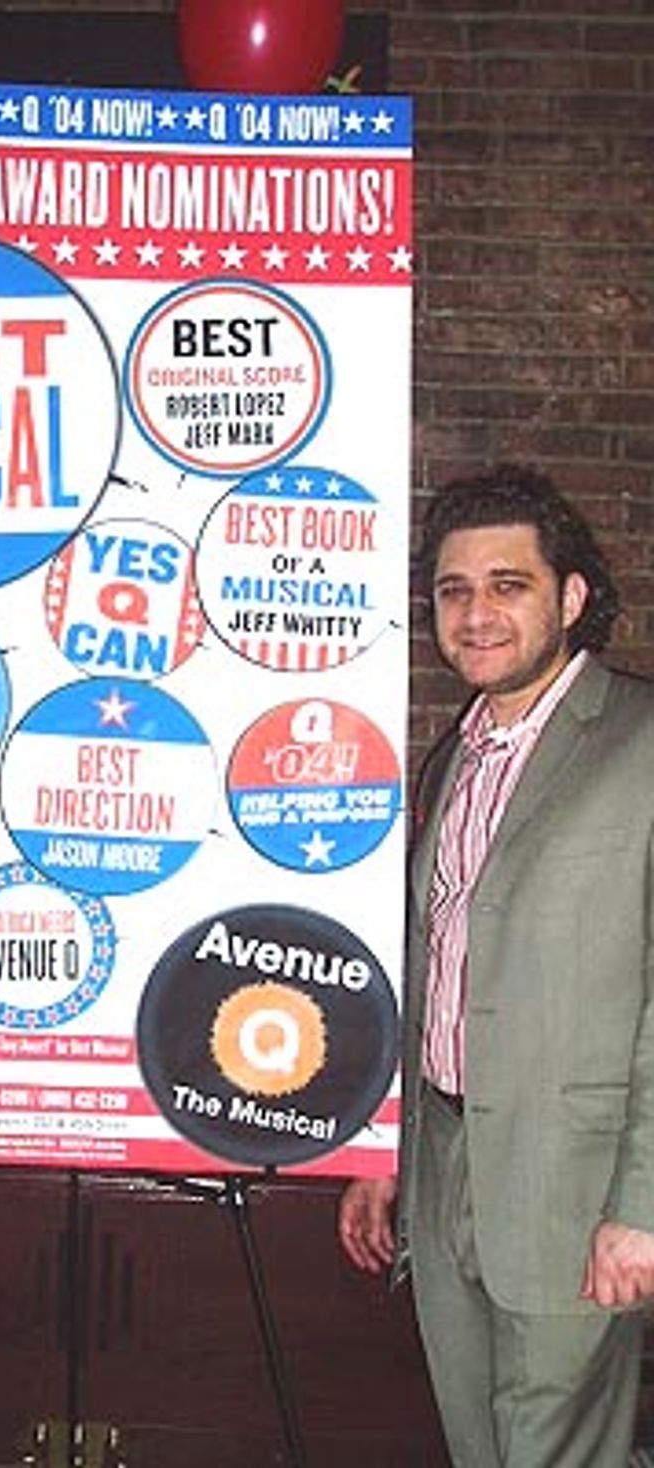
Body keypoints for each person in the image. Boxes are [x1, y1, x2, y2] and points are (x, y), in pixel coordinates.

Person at [339, 464, 654, 1467]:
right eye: (453, 590)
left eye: (507, 584)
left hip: (576, 1189)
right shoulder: (454, 758)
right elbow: (433, 971)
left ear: (569, 596)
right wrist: (386, 1152)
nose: (476, 613)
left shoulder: (641, 743)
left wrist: (643, 1210)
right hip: (446, 1168)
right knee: (476, 1443)